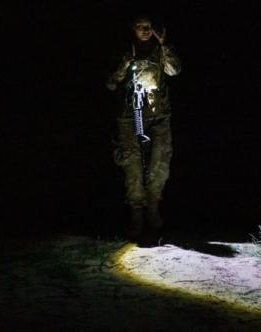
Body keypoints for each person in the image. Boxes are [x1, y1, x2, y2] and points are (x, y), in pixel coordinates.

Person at [106, 16, 181, 238]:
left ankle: (153, 208)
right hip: (130, 116)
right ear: (133, 28)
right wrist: (124, 65)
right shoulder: (123, 51)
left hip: (158, 115)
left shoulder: (161, 48)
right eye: (141, 27)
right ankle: (136, 214)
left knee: (160, 162)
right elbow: (110, 83)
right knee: (132, 165)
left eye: (149, 27)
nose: (146, 31)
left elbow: (174, 70)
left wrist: (164, 45)